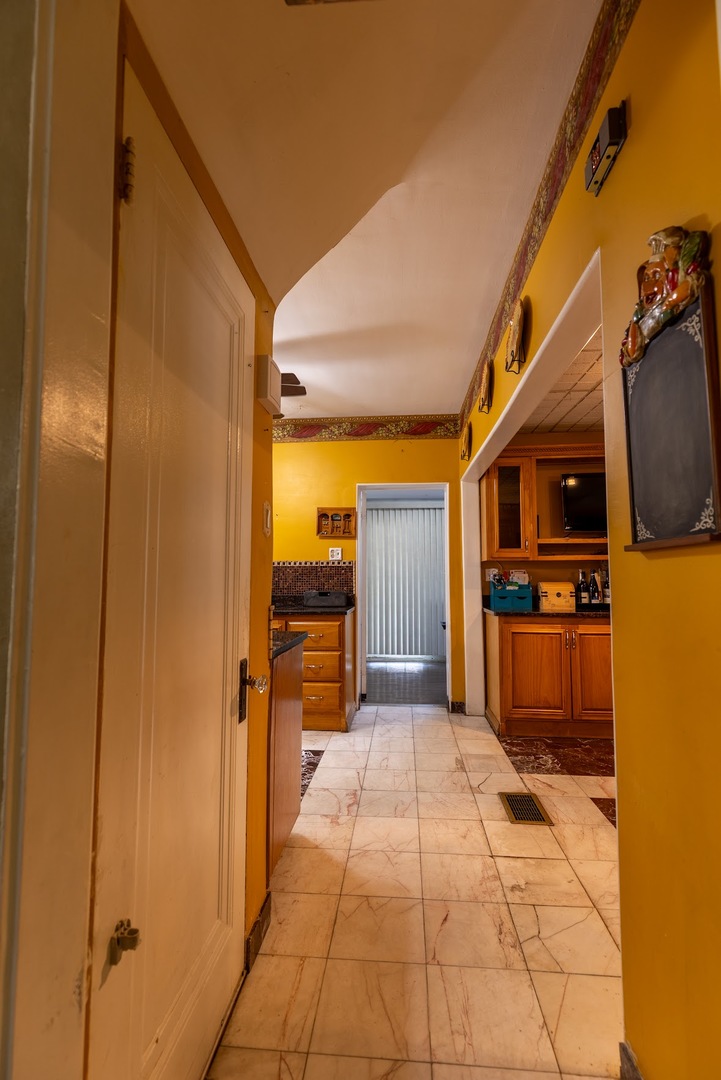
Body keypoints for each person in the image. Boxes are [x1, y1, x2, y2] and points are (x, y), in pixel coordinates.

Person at [619, 225, 706, 365]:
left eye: (657, 275)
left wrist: (670, 301)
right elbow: (630, 353)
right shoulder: (640, 323)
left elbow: (692, 284)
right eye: (646, 278)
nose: (648, 286)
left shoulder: (674, 299)